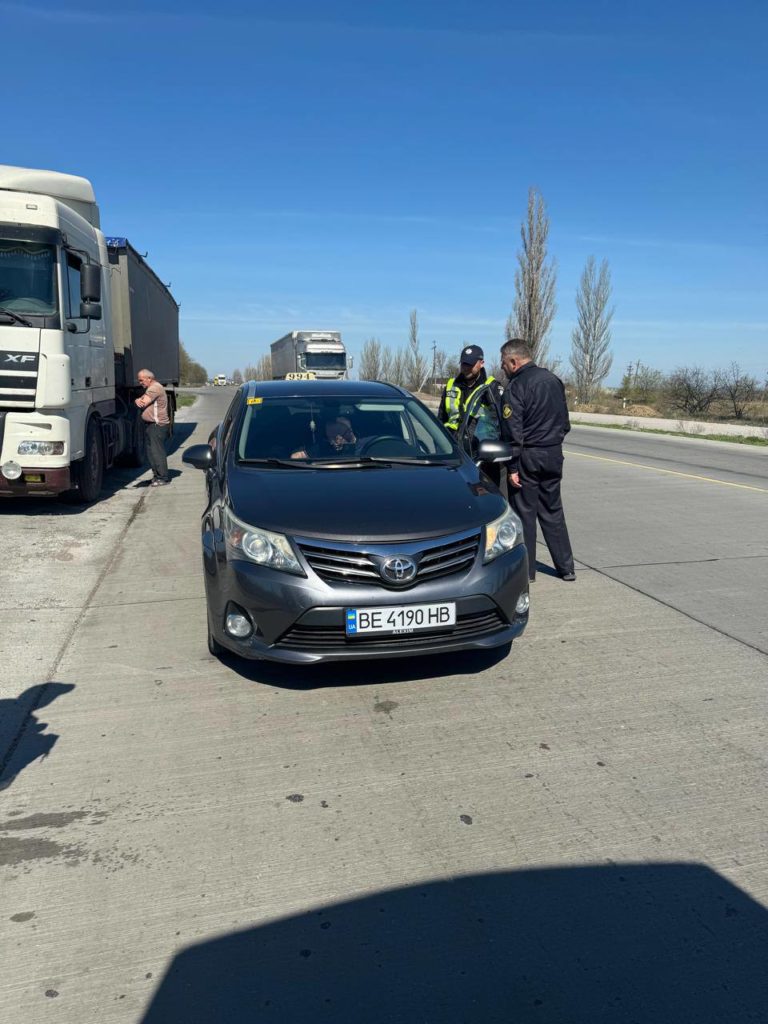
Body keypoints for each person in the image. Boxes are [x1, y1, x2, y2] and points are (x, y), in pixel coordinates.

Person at [499, 339, 575, 582]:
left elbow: (513, 431)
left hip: (527, 456)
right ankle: (566, 568)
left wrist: (512, 466)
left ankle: (527, 571)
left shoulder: (516, 386)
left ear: (514, 361)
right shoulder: (554, 380)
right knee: (553, 510)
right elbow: (565, 423)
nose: (503, 368)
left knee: (524, 513)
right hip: (553, 454)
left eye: (503, 363)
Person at [439, 344, 505, 485]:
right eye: (463, 364)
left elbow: (502, 425)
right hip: (453, 454)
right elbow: (440, 420)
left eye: (470, 364)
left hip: (481, 458)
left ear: (481, 363)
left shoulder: (492, 388)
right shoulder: (451, 385)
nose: (466, 368)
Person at [135, 368, 171, 486]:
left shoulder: (154, 388)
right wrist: (137, 400)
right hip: (151, 425)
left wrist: (137, 400)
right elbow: (140, 401)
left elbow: (142, 402)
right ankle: (156, 476)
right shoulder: (152, 388)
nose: (140, 382)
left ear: (149, 378)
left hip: (157, 425)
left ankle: (163, 477)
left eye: (141, 380)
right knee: (151, 453)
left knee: (157, 452)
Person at [291, 416, 357, 460]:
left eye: (349, 431)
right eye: (338, 433)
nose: (340, 437)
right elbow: (295, 457)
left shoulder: (359, 449)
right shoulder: (318, 448)